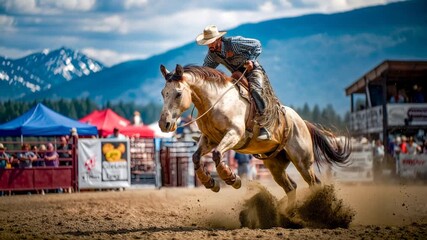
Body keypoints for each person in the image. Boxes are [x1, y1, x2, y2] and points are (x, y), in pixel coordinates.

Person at [196, 25, 271, 141]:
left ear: (218, 39)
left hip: (253, 71)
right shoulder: (212, 55)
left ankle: (264, 126)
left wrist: (251, 60)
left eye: (211, 42)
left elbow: (256, 44)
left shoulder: (234, 43)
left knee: (256, 91)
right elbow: (205, 69)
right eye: (207, 43)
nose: (209, 45)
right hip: (237, 75)